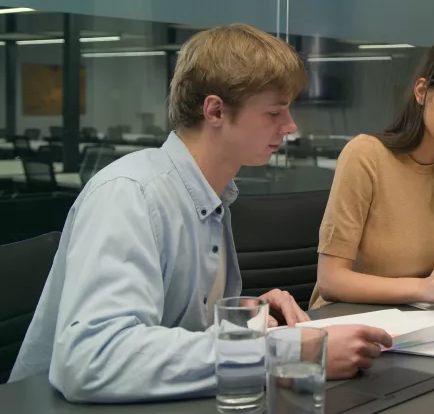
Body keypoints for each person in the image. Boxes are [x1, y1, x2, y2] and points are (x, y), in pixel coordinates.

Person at [10, 24, 392, 402]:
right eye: (274, 112)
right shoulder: (130, 194)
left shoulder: (210, 194)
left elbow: (170, 331)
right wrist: (284, 353)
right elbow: (93, 358)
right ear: (215, 110)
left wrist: (243, 318)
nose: (290, 127)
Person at [310, 38, 434, 307]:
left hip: (419, 321)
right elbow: (330, 281)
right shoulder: (365, 155)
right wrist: (423, 288)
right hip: (347, 319)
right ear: (422, 91)